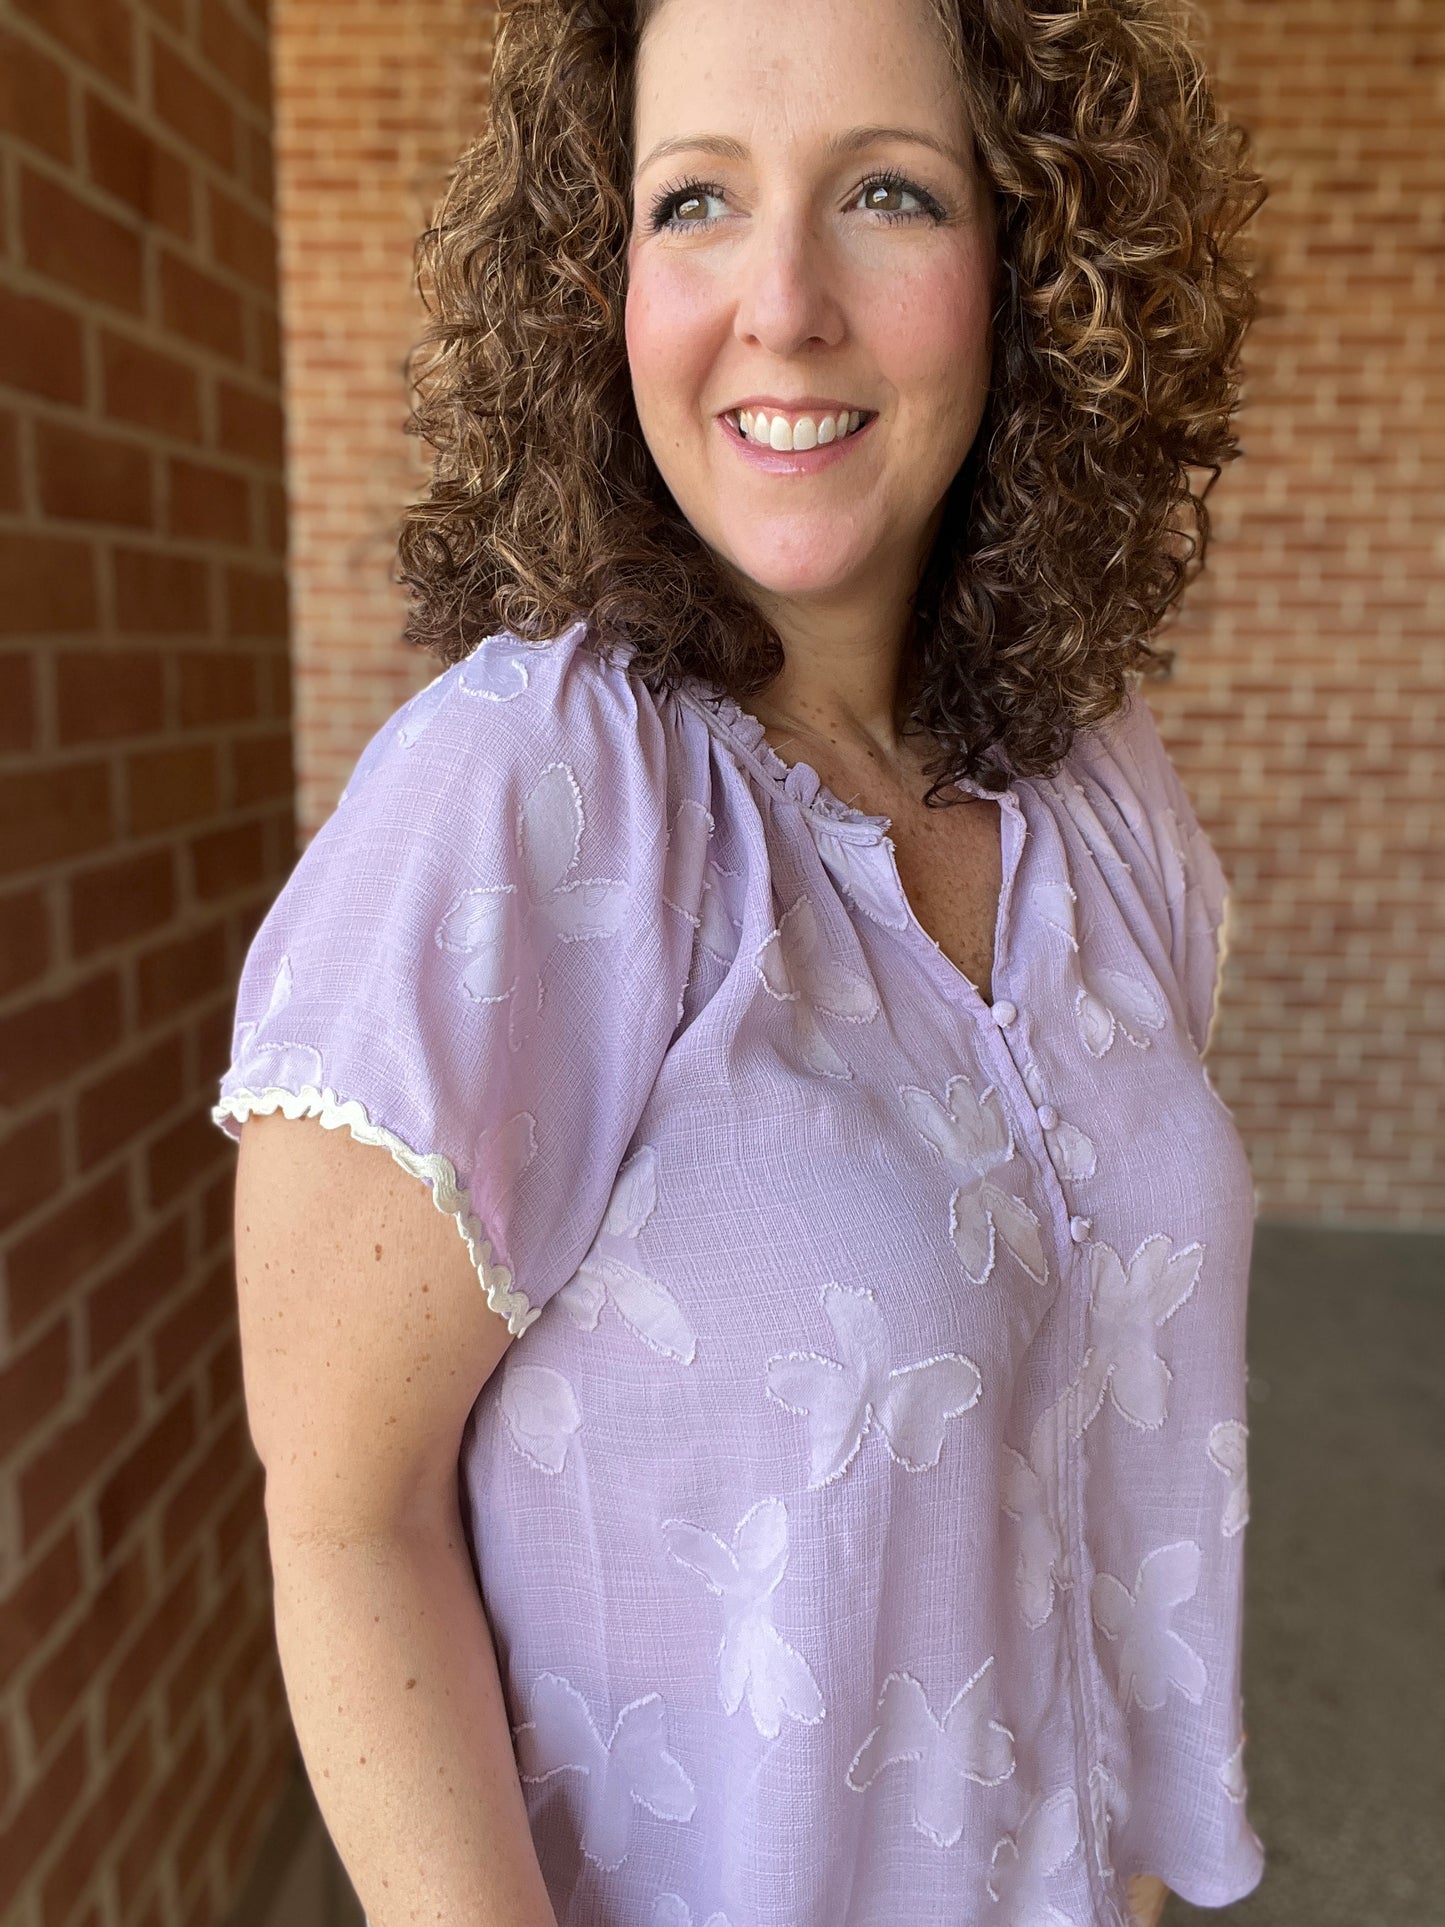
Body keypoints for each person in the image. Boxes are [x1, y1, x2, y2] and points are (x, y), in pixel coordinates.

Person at [216, 0, 1267, 1920]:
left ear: (1033, 269)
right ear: (594, 278)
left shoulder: (1101, 792)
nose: (780, 303)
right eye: (693, 201)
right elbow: (348, 1514)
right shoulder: (530, 798)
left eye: (887, 191)